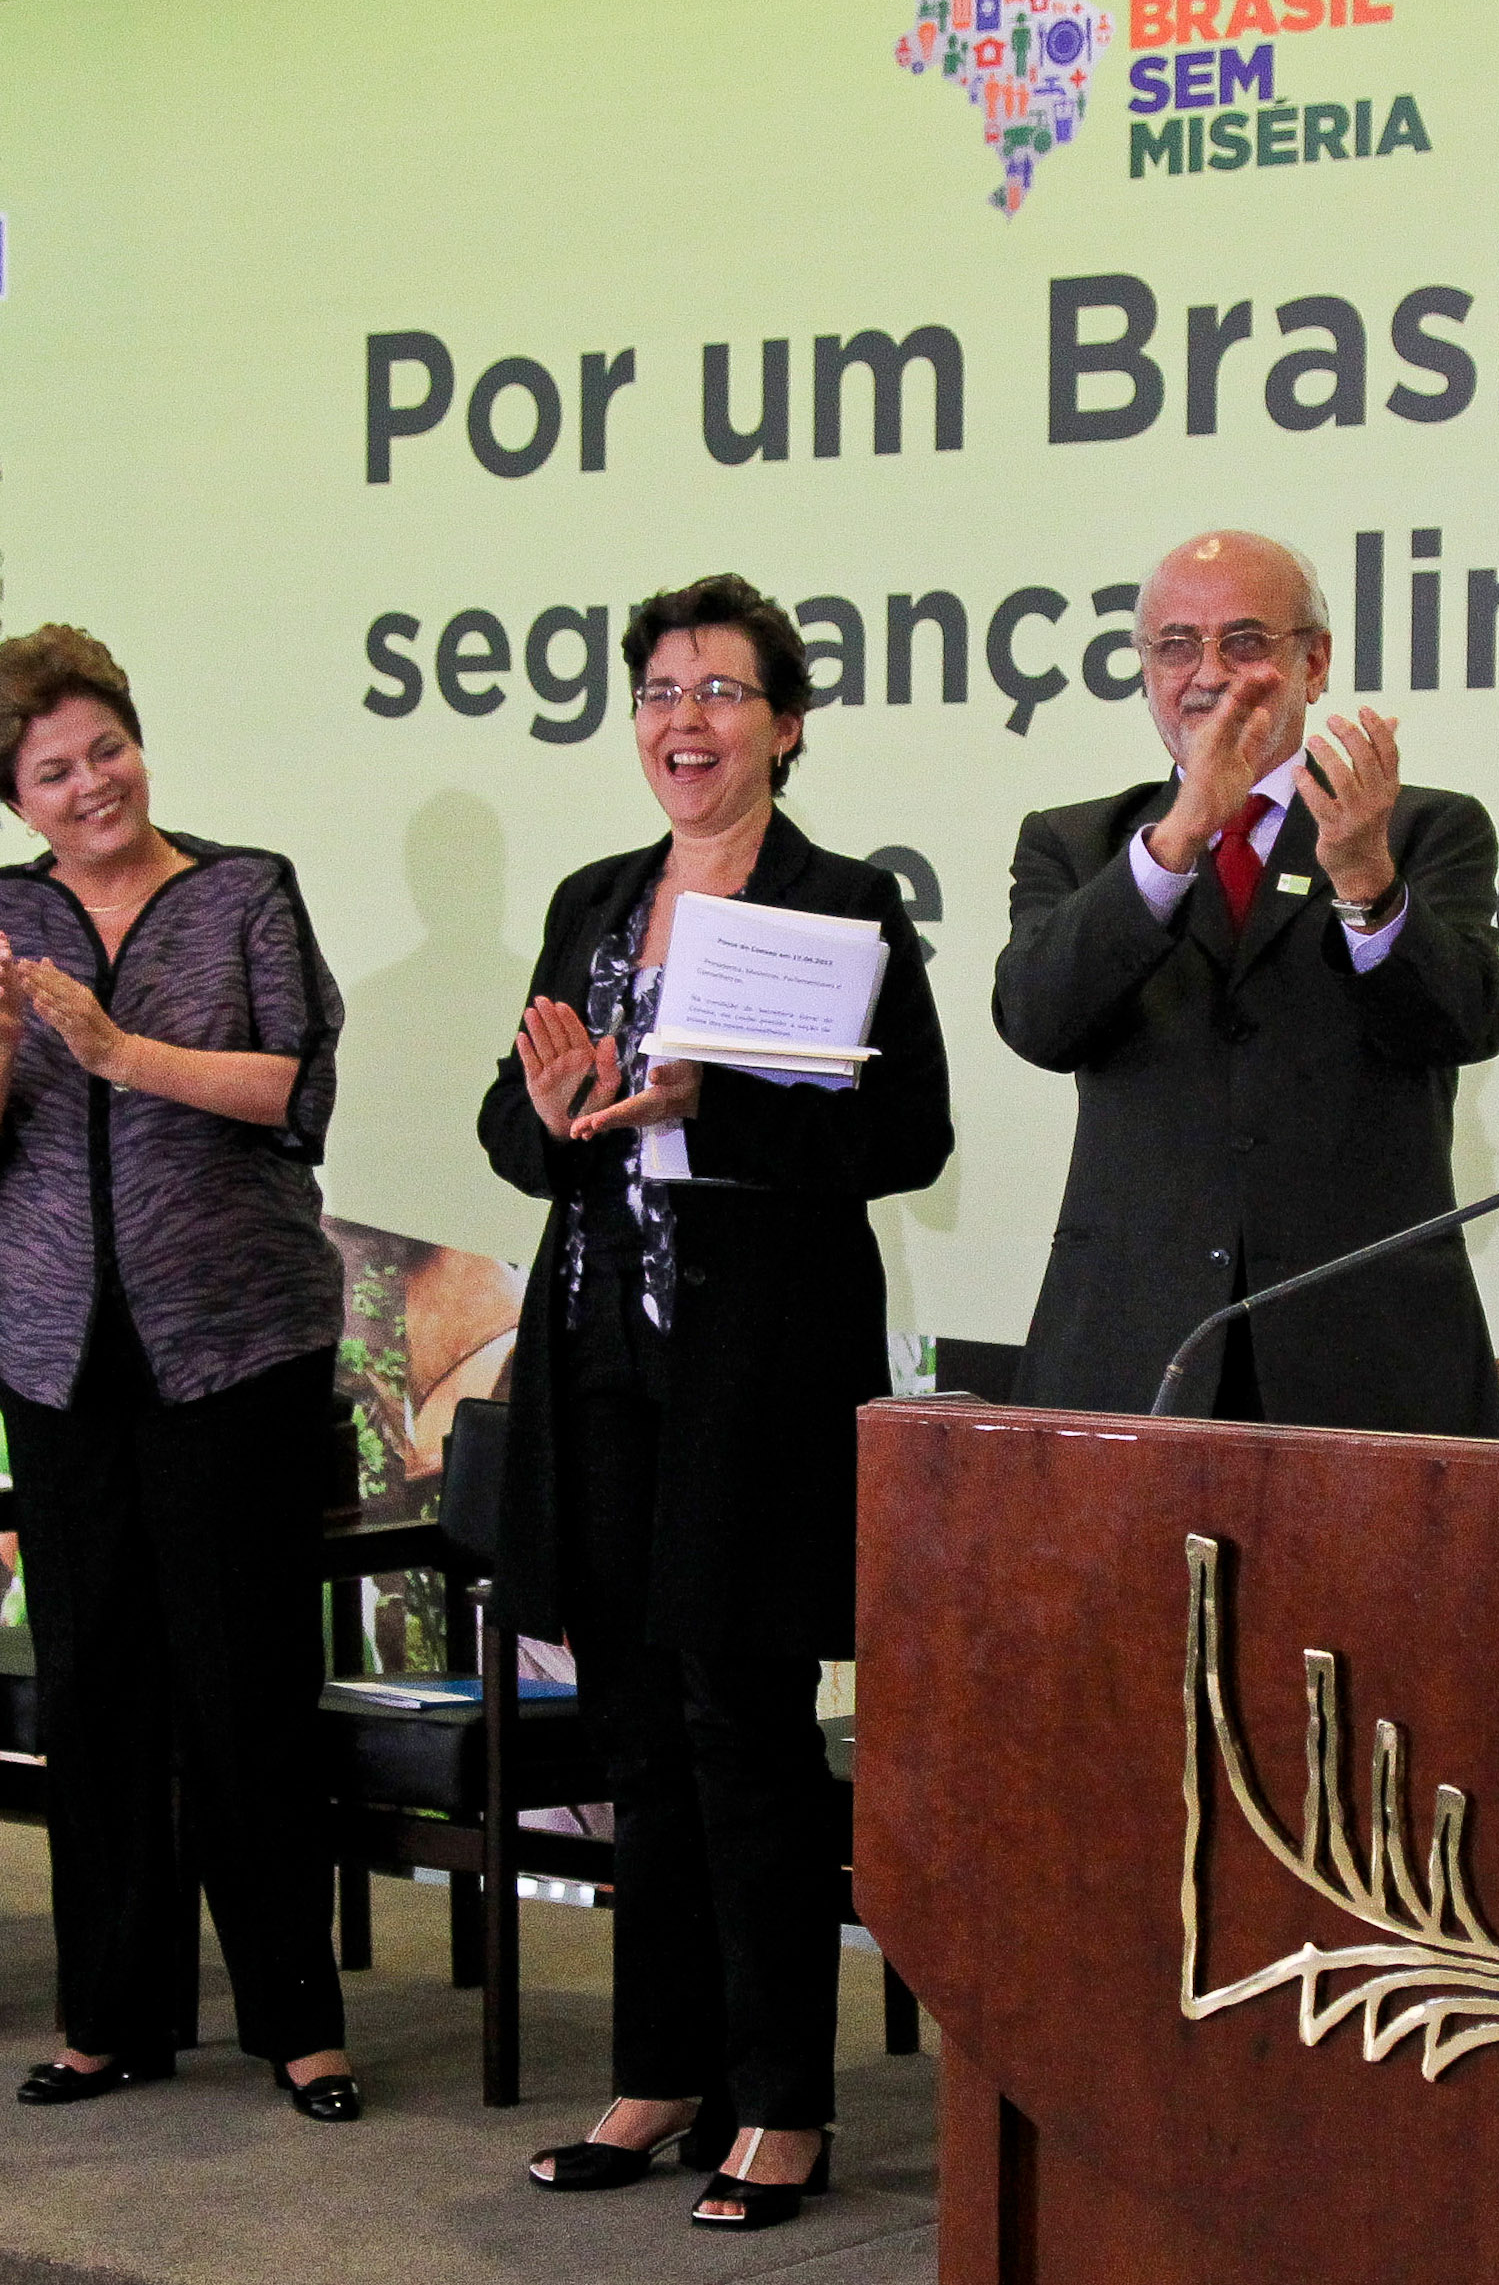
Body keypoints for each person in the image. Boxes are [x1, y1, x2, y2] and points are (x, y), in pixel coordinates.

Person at [480, 573, 951, 2233]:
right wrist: (554, 1112)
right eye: (659, 690)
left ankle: (781, 2104)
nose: (684, 719)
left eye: (720, 691)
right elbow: (517, 1127)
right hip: (604, 1357)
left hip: (755, 1374)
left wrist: (717, 1099)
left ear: (787, 723)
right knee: (634, 1735)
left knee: (741, 1731)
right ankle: (661, 2070)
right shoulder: (597, 901)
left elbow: (907, 1141)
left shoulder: (843, 904)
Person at [0, 624, 360, 2122]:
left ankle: (297, 2023)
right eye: (56, 769)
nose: (93, 781)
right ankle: (108, 2015)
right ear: (15, 797)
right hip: (53, 1352)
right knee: (92, 1684)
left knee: (245, 1687)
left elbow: (294, 1090)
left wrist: (117, 1050)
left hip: (233, 1340)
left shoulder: (242, 891)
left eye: (107, 747)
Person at [993, 529, 1499, 1433]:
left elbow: (1462, 1023)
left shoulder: (1421, 831)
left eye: (1244, 642)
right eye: (1176, 646)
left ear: (1313, 665)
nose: (1208, 674)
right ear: (1145, 669)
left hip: (1366, 1352)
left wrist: (1365, 881)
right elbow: (1036, 1018)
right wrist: (1178, 837)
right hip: (1132, 1347)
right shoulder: (1078, 845)